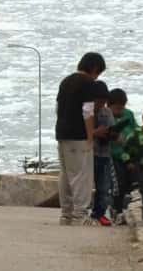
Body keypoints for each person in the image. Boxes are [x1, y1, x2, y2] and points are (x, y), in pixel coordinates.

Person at [55, 52, 107, 226]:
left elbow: (58, 108)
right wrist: (90, 135)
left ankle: (66, 214)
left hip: (62, 133)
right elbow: (87, 111)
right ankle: (80, 215)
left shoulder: (65, 81)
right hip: (79, 135)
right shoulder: (89, 84)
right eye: (98, 73)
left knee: (65, 175)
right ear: (94, 69)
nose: (97, 76)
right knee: (81, 176)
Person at [108, 88, 138, 225]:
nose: (119, 110)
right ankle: (117, 210)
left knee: (129, 183)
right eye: (116, 108)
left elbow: (136, 130)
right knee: (118, 184)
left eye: (122, 107)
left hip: (129, 155)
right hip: (114, 155)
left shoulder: (128, 114)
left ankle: (122, 209)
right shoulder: (106, 116)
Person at [89, 81, 114, 226]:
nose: (100, 105)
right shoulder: (87, 112)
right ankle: (82, 211)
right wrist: (95, 133)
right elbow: (81, 132)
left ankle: (100, 213)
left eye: (103, 102)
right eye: (98, 102)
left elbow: (112, 128)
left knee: (104, 187)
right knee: (85, 186)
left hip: (104, 153)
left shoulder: (107, 112)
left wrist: (114, 134)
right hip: (89, 153)